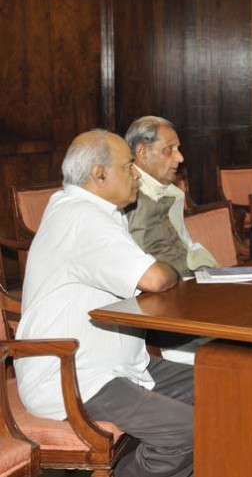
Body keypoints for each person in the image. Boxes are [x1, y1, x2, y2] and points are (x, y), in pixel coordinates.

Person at [15, 130, 194, 477]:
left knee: (224, 381)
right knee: (186, 433)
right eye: (128, 166)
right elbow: (155, 279)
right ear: (99, 175)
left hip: (120, 365)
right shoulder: (82, 218)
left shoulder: (88, 210)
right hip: (73, 375)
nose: (135, 174)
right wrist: (175, 270)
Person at [125, 115, 217, 278]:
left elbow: (186, 245)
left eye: (178, 149)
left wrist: (208, 273)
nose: (180, 158)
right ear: (142, 152)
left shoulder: (171, 192)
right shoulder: (123, 197)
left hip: (188, 283)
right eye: (169, 150)